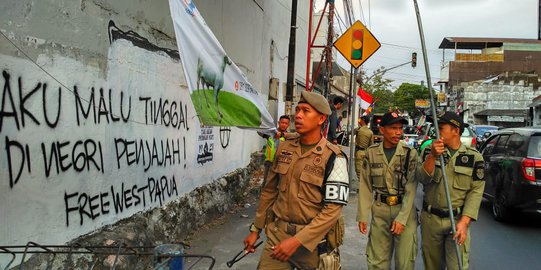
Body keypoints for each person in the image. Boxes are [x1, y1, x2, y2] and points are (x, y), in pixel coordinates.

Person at [244, 91, 349, 270]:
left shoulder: (334, 157)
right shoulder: (284, 148)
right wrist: (256, 229)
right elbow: (269, 192)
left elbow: (332, 211)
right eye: (297, 110)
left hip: (314, 244)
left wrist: (297, 241)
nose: (298, 115)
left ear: (321, 119)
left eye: (306, 111)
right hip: (277, 236)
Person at [416, 111, 485, 270]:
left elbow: (476, 192)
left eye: (441, 127)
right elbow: (422, 178)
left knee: (457, 266)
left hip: (457, 220)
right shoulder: (429, 151)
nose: (437, 131)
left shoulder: (474, 157)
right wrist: (432, 156)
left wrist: (464, 222)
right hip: (431, 220)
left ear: (456, 130)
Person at [357, 112, 419, 270]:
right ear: (382, 130)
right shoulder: (371, 153)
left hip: (404, 210)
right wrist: (363, 215)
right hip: (380, 211)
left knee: (404, 262)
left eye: (400, 128)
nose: (398, 132)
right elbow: (365, 185)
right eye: (393, 128)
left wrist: (402, 218)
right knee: (377, 261)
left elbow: (411, 187)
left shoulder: (409, 153)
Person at [260, 115, 291, 187]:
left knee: (279, 184)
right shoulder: (272, 132)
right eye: (282, 122)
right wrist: (266, 136)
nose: (284, 125)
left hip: (282, 163)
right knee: (267, 182)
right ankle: (265, 196)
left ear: (288, 125)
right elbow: (259, 131)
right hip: (270, 162)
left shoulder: (289, 136)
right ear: (278, 122)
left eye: (286, 123)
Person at [354, 115, 374, 183]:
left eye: (360, 120)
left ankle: (361, 188)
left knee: (359, 171)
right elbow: (371, 145)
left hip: (359, 152)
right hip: (366, 152)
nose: (359, 121)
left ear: (363, 120)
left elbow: (348, 133)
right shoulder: (370, 132)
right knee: (365, 171)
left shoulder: (359, 130)